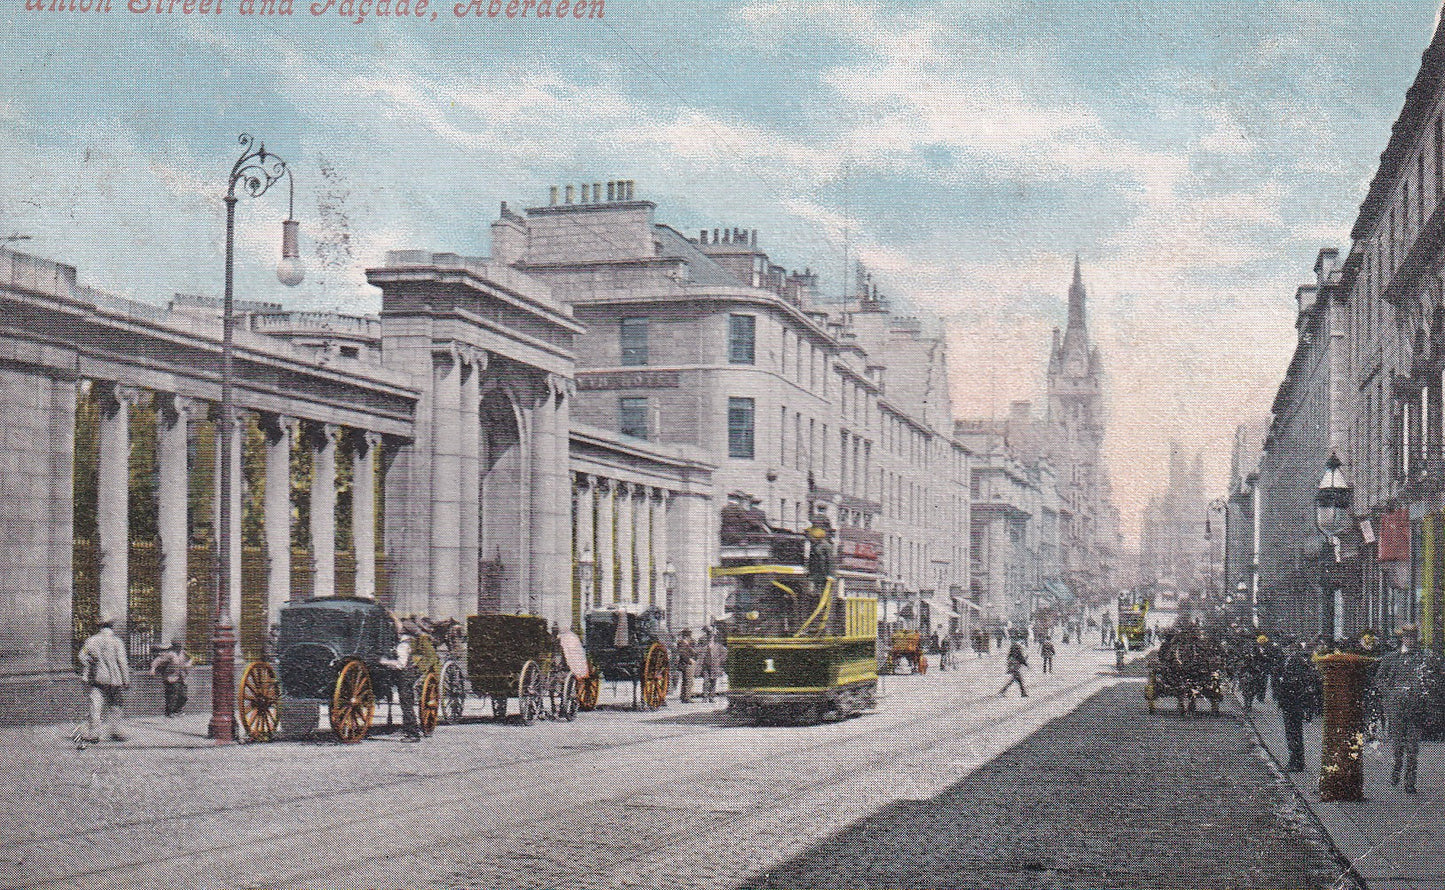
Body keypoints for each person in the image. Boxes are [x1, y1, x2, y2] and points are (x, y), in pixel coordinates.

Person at [1375, 625, 1434, 793]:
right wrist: (1390, 693)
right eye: (1408, 637)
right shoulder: (1391, 658)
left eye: (1413, 637)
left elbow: (1429, 680)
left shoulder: (1422, 658)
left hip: (1415, 709)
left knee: (1413, 748)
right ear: (1402, 639)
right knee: (1397, 746)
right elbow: (1379, 679)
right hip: (1397, 709)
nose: (1411, 641)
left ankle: (1410, 782)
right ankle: (1396, 768)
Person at [77, 618, 129, 743]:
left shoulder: (91, 640)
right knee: (116, 705)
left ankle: (94, 733)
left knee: (95, 706)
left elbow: (81, 656)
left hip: (97, 678)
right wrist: (126, 679)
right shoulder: (117, 641)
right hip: (115, 679)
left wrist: (90, 662)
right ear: (112, 627)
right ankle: (116, 731)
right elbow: (122, 661)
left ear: (99, 627)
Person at [1273, 640, 1323, 772]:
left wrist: (1284, 682)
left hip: (1293, 701)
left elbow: (1298, 680)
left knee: (1293, 733)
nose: (1284, 649)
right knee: (1293, 733)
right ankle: (1296, 760)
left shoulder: (1295, 661)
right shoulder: (1291, 660)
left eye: (1286, 646)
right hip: (1290, 701)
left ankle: (1296, 761)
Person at [380, 626, 421, 741]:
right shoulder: (407, 643)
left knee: (406, 704)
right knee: (406, 704)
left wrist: (385, 662)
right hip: (406, 676)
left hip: (405, 677)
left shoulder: (403, 645)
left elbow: (401, 664)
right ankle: (410, 730)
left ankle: (413, 734)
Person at [150, 639, 193, 718]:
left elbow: (191, 658)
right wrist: (153, 669)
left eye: (180, 646)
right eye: (177, 646)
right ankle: (170, 712)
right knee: (173, 695)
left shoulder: (183, 653)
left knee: (183, 696)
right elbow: (158, 660)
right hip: (171, 677)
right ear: (174, 646)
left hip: (182, 677)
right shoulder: (169, 654)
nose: (179, 648)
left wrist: (189, 664)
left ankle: (177, 710)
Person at [700, 630, 727, 703]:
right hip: (706, 666)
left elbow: (725, 654)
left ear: (714, 638)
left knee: (713, 681)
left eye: (711, 637)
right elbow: (701, 656)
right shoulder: (705, 646)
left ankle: (711, 697)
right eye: (709, 637)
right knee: (706, 682)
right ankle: (705, 697)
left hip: (715, 666)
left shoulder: (718, 646)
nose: (710, 638)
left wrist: (720, 660)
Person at [675, 628, 698, 703]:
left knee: (685, 681)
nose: (690, 637)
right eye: (689, 635)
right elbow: (682, 654)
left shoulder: (686, 643)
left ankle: (684, 696)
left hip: (686, 663)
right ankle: (687, 697)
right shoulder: (682, 643)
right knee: (689, 681)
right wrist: (689, 660)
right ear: (686, 636)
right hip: (686, 664)